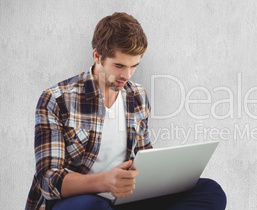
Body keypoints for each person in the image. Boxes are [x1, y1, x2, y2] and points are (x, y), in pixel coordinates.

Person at [25, 12, 226, 210]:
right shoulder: (56, 99)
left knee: (211, 191)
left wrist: (162, 175)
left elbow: (144, 157)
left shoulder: (137, 96)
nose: (126, 75)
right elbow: (48, 179)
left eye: (134, 66)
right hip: (79, 200)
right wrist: (105, 182)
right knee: (92, 206)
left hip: (125, 198)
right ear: (97, 56)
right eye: (119, 65)